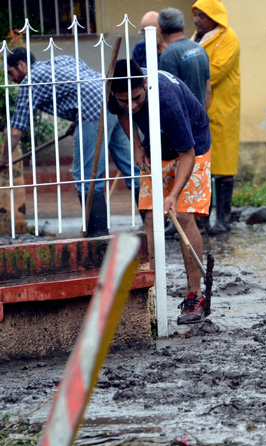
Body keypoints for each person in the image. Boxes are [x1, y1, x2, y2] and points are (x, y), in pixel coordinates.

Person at [108, 59, 212, 325]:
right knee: (152, 218)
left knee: (184, 216)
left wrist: (173, 195)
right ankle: (149, 294)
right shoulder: (117, 92)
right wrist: (137, 146)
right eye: (124, 100)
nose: (131, 106)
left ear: (144, 83)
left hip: (192, 148)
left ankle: (195, 295)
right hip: (156, 147)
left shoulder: (166, 100)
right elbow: (120, 113)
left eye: (135, 98)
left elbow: (187, 154)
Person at [0, 47, 140, 237]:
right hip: (114, 103)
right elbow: (84, 85)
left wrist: (3, 158)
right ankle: (155, 222)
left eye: (11, 72)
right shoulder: (61, 59)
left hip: (92, 113)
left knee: (86, 177)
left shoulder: (30, 81)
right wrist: (77, 121)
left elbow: (15, 130)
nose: (12, 80)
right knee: (133, 168)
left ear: (22, 65)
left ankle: (97, 234)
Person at [192, 0, 240, 235]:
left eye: (202, 15)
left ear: (214, 17)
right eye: (195, 15)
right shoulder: (197, 37)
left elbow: (216, 71)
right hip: (201, 107)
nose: (196, 20)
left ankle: (223, 219)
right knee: (202, 165)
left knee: (223, 166)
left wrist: (191, 72)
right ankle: (201, 220)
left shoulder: (227, 37)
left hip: (222, 109)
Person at [158, 7, 211, 109]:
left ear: (160, 29)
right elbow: (208, 90)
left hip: (182, 122)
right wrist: (201, 117)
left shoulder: (169, 54)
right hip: (199, 119)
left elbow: (169, 96)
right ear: (183, 25)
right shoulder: (199, 48)